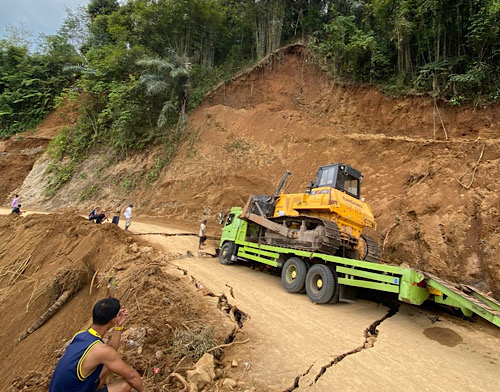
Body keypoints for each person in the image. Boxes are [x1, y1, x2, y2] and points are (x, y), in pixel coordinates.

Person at [49, 297, 146, 392]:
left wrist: (118, 326)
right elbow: (132, 376)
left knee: (108, 364)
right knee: (125, 385)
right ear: (112, 320)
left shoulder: (80, 336)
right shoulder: (101, 351)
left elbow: (111, 352)